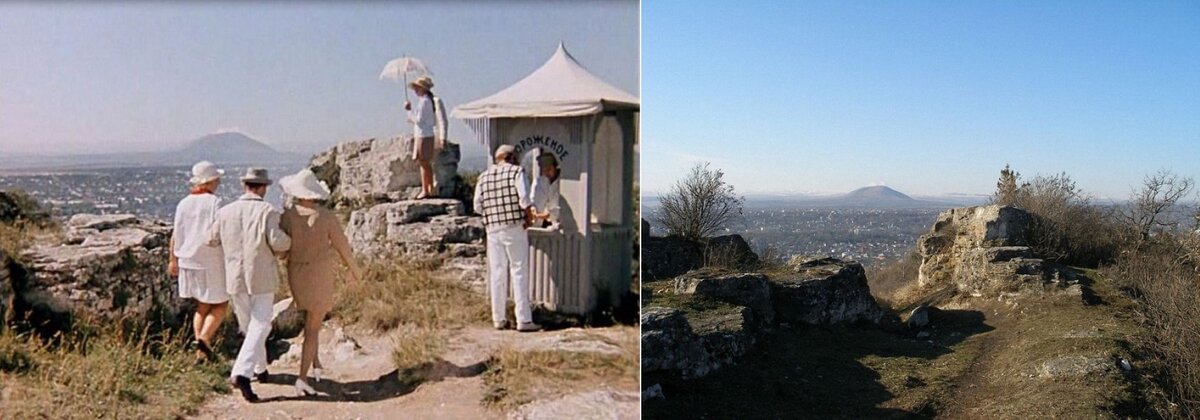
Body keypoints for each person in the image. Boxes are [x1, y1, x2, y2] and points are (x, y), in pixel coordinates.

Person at [208, 168, 292, 402]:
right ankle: (242, 372)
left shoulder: (225, 212)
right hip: (261, 276)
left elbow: (211, 238)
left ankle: (260, 369)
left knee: (249, 327)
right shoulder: (267, 211)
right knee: (261, 324)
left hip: (235, 276)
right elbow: (279, 243)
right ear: (264, 187)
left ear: (245, 186)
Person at [278, 169, 363, 396]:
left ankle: (315, 364)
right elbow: (342, 247)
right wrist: (356, 272)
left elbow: (283, 250)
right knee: (313, 327)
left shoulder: (287, 215)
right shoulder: (326, 217)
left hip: (296, 273)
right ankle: (302, 379)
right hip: (320, 273)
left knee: (308, 317)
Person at [474, 144, 541, 332]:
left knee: (497, 273)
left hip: (493, 229)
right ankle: (524, 320)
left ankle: (499, 318)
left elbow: (477, 206)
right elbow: (525, 199)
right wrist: (528, 215)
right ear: (511, 157)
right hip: (514, 227)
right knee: (518, 271)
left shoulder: (483, 177)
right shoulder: (517, 172)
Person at [168, 161, 228, 363]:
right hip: (210, 260)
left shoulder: (183, 204)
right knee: (220, 304)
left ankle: (200, 352)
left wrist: (173, 259)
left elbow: (176, 234)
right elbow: (220, 231)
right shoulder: (214, 203)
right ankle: (204, 338)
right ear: (210, 181)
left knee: (201, 306)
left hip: (187, 260)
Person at [403, 75, 448, 199]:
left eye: (417, 88)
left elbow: (419, 120)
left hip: (424, 135)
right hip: (423, 134)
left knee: (423, 162)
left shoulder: (425, 101)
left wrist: (408, 111)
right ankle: (428, 188)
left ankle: (427, 189)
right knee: (423, 162)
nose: (416, 90)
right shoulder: (426, 100)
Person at [531, 152, 562, 228]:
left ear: (555, 167)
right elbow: (532, 200)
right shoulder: (538, 182)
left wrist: (548, 215)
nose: (546, 173)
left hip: (556, 225)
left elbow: (561, 208)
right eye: (544, 170)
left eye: (549, 169)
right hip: (538, 224)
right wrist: (533, 210)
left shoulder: (563, 182)